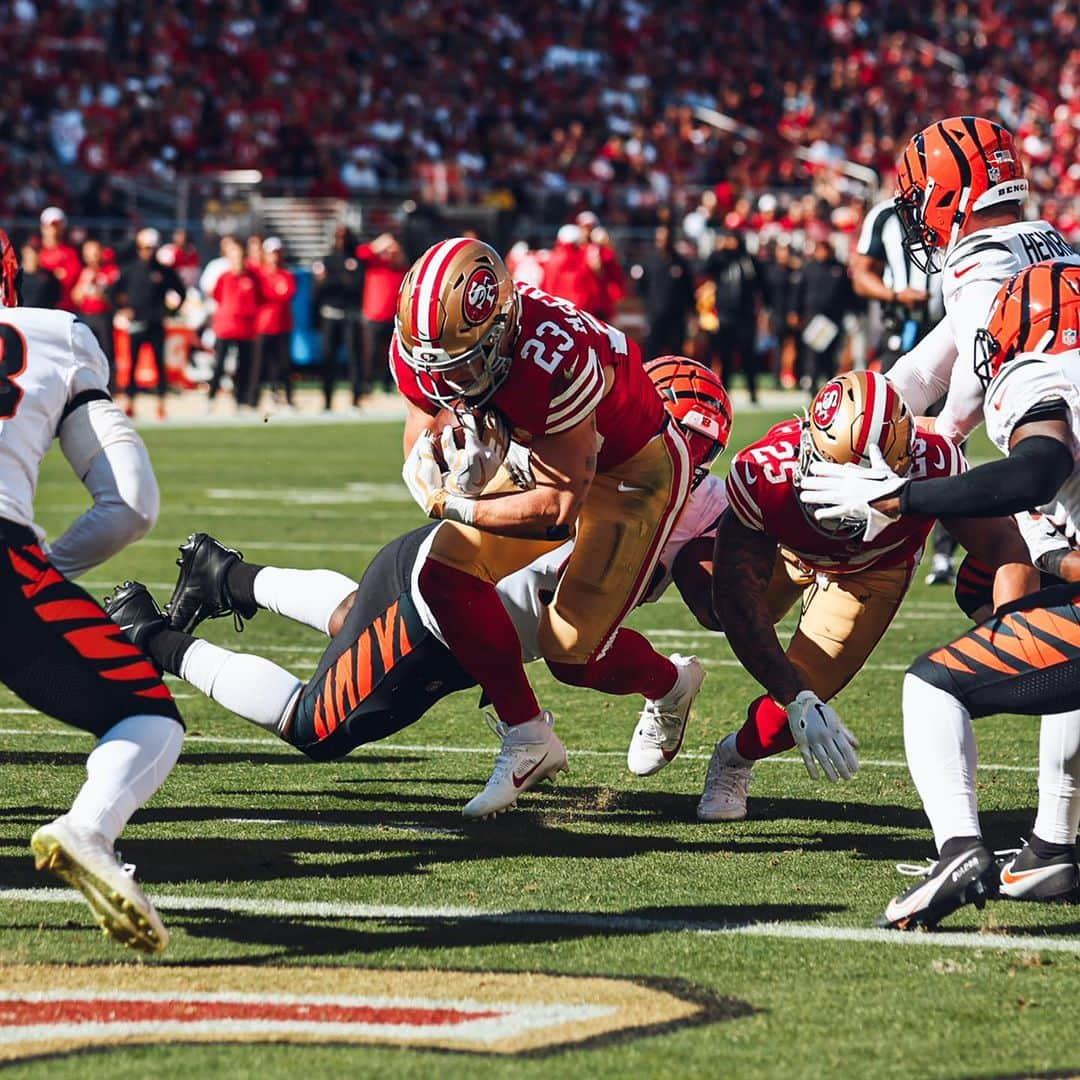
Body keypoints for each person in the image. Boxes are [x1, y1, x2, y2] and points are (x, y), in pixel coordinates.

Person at [104, 358, 733, 773]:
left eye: (697, 452)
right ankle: (148, 635)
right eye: (671, 437)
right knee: (313, 724)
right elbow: (515, 500)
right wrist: (473, 485)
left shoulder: (687, 499)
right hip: (443, 600)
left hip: (469, 625)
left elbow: (713, 595)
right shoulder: (565, 450)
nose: (682, 459)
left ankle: (225, 576)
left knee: (355, 621)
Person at [799, 261, 1080, 929]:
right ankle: (1052, 845)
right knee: (995, 586)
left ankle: (959, 851)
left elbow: (1038, 471)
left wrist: (904, 496)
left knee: (932, 686)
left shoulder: (1044, 371)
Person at [392, 238, 700, 818]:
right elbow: (421, 418)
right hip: (537, 448)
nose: (451, 381)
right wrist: (432, 461)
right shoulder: (428, 342)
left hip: (631, 468)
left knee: (573, 653)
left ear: (502, 327)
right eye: (440, 366)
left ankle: (671, 683)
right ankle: (528, 735)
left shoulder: (553, 361)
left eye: (466, 364)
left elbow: (557, 505)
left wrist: (454, 503)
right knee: (443, 576)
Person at [698, 371, 1038, 822]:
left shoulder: (932, 461)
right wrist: (793, 691)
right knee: (714, 613)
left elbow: (1004, 546)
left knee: (796, 713)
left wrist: (1013, 633)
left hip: (871, 571)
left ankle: (732, 759)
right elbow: (737, 602)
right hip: (790, 547)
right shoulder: (766, 474)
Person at [0, 229, 181, 953]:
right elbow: (130, 504)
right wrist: (49, 566)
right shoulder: (53, 334)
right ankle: (88, 829)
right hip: (5, 563)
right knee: (148, 717)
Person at [109, 228, 185, 420]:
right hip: (136, 324)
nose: (147, 251)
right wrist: (122, 309)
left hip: (156, 324)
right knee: (133, 365)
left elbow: (181, 292)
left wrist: (170, 312)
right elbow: (112, 292)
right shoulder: (130, 270)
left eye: (150, 248)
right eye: (144, 247)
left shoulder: (163, 271)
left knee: (160, 365)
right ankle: (130, 403)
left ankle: (161, 405)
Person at [701, 231, 765, 400]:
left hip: (746, 315)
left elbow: (761, 283)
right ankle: (724, 392)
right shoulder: (721, 258)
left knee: (748, 355)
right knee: (725, 356)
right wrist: (718, 249)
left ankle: (752, 392)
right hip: (726, 315)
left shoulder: (748, 260)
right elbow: (706, 269)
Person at [312, 225, 364, 411]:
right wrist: (341, 279)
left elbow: (356, 285)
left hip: (349, 315)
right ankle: (327, 400)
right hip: (330, 315)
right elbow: (321, 287)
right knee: (328, 359)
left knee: (354, 358)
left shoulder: (356, 259)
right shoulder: (327, 259)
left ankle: (356, 399)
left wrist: (333, 281)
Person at [794, 238, 855, 394]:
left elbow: (848, 293)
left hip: (834, 318)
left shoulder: (839, 268)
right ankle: (812, 384)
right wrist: (795, 311)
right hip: (814, 317)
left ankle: (830, 385)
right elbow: (799, 292)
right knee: (813, 353)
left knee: (831, 354)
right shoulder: (809, 268)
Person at [209, 238, 262, 408]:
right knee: (219, 364)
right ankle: (211, 398)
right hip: (226, 327)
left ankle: (240, 399)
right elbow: (217, 296)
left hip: (245, 328)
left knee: (243, 365)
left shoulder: (252, 278)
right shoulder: (224, 277)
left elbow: (258, 299)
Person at [356, 232, 407, 397]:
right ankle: (367, 384)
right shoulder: (377, 265)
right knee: (370, 353)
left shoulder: (402, 269)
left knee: (393, 353)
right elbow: (361, 253)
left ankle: (388, 383)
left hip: (394, 318)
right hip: (374, 316)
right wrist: (379, 243)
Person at [252, 237, 296, 408]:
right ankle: (253, 399)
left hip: (282, 325)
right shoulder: (259, 274)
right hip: (263, 325)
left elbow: (287, 293)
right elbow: (263, 294)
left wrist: (272, 294)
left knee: (284, 365)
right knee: (258, 365)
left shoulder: (286, 274)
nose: (274, 257)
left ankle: (288, 398)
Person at [640, 225, 695, 359]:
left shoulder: (681, 263)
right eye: (660, 239)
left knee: (677, 355)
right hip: (655, 318)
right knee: (652, 354)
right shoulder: (650, 262)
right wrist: (649, 309)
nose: (663, 242)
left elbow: (689, 291)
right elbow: (642, 288)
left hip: (676, 319)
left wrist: (692, 314)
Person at [71, 238, 118, 389]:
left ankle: (110, 387)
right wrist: (85, 282)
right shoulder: (84, 272)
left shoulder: (110, 271)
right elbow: (76, 297)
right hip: (87, 316)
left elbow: (114, 298)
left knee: (106, 352)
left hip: (103, 316)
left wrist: (100, 292)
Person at [36, 207, 82, 312]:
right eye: (52, 225)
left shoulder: (70, 253)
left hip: (64, 308)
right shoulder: (36, 251)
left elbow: (70, 279)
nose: (55, 229)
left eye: (58, 225)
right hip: (39, 307)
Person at [18, 244, 61, 309]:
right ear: (24, 251)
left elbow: (54, 300)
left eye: (37, 251)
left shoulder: (49, 277)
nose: (34, 255)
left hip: (42, 316)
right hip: (19, 315)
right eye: (31, 252)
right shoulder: (13, 276)